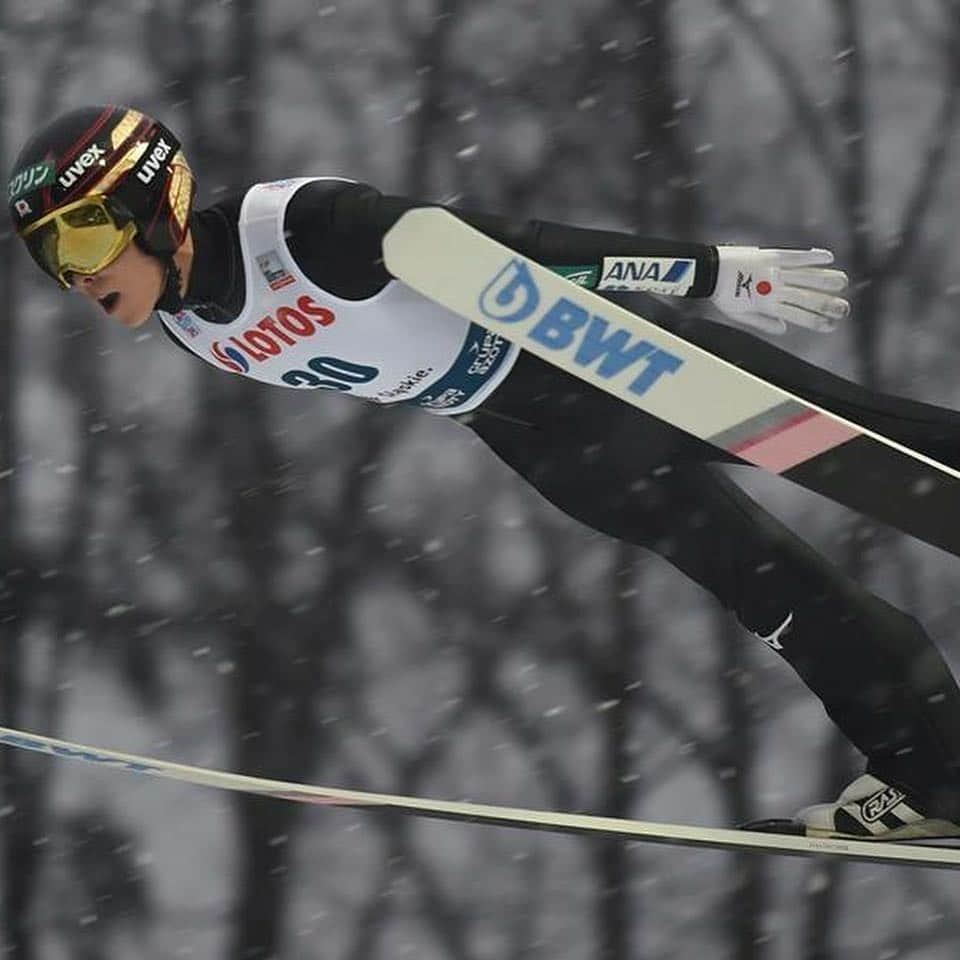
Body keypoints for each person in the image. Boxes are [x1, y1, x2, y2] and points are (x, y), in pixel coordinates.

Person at [9, 103, 960, 841]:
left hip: (596, 366)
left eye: (85, 238)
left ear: (154, 201)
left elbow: (516, 246)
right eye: (52, 257)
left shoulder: (303, 227)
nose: (77, 276)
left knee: (875, 446)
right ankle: (935, 773)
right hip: (534, 437)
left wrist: (705, 270)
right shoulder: (189, 324)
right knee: (775, 593)